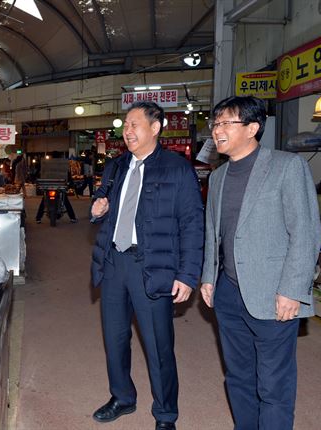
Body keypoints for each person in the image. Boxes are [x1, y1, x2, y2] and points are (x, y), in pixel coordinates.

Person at [200, 96, 321, 430]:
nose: (217, 130)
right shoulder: (218, 177)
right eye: (215, 123)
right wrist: (209, 276)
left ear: (252, 128)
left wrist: (292, 290)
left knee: (273, 383)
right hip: (228, 293)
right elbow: (214, 232)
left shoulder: (287, 166)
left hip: (274, 294)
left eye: (226, 123)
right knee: (238, 376)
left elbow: (306, 232)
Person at [90, 101, 204, 430]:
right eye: (125, 125)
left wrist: (187, 274)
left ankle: (165, 414)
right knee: (114, 338)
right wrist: (98, 210)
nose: (127, 131)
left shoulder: (177, 169)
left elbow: (193, 224)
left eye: (135, 124)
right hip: (113, 262)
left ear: (155, 128)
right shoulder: (116, 166)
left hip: (151, 265)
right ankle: (122, 397)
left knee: (158, 346)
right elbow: (102, 200)